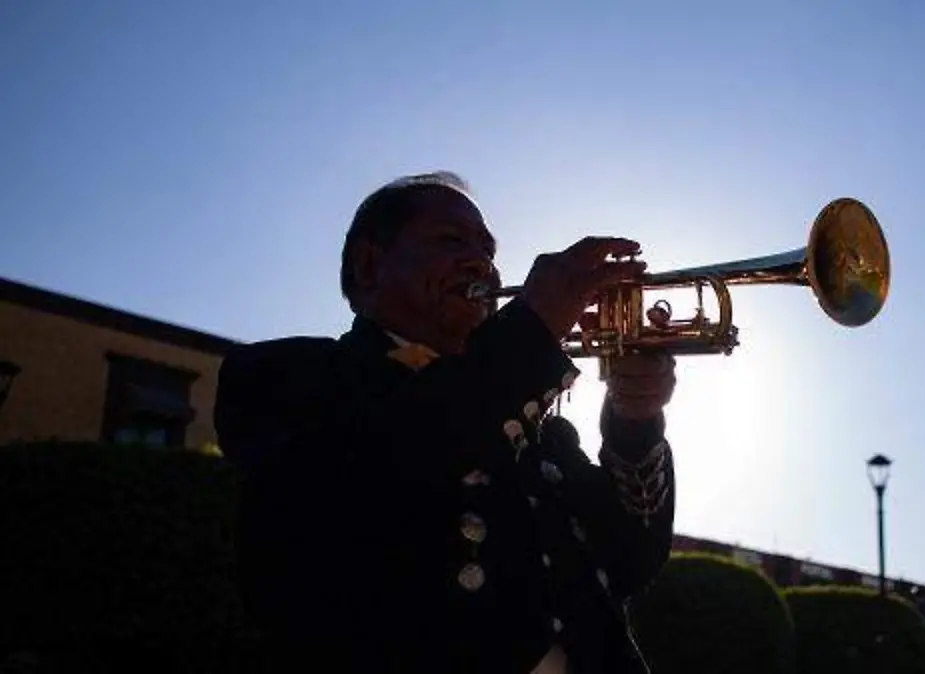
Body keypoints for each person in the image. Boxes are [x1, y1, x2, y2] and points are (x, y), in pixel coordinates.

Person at [214, 172, 678, 673]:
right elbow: (385, 466)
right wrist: (530, 332)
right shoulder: (282, 376)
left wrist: (636, 420)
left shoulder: (542, 430)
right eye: (453, 241)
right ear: (370, 265)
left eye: (489, 250)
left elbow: (632, 560)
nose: (484, 265)